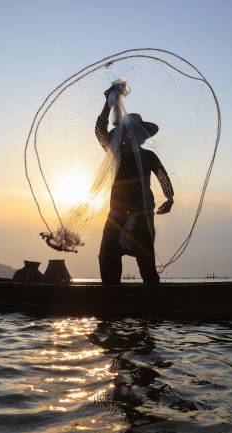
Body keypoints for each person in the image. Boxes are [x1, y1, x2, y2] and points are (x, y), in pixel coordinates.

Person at [96, 87, 174, 285]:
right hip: (117, 217)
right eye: (126, 133)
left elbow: (162, 177)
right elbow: (99, 130)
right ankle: (112, 304)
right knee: (107, 260)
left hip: (142, 218)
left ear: (141, 137)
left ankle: (150, 308)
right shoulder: (115, 153)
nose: (129, 136)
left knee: (147, 265)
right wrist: (108, 104)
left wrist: (170, 198)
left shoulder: (148, 156)